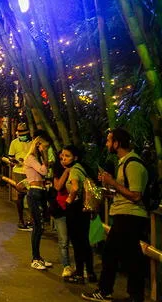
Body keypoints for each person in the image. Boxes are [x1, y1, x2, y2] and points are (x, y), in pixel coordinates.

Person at [82, 128, 148, 302]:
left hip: (130, 215)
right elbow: (124, 192)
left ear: (117, 143)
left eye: (109, 140)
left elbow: (136, 195)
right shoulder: (123, 163)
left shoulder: (132, 163)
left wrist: (112, 182)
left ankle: (105, 291)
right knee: (131, 256)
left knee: (111, 253)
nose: (107, 144)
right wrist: (108, 188)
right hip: (124, 214)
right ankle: (134, 294)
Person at [56, 145, 96, 284]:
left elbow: (75, 187)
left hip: (75, 209)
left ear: (76, 158)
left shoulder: (74, 170)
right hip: (83, 210)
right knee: (84, 242)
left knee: (77, 242)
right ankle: (90, 272)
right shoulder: (81, 168)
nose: (64, 159)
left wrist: (69, 200)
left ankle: (79, 273)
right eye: (62, 156)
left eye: (67, 156)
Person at [22, 135, 53, 271]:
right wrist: (45, 156)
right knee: (37, 226)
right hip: (34, 192)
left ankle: (38, 257)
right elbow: (44, 171)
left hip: (40, 191)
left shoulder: (36, 159)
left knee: (40, 226)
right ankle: (35, 258)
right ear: (38, 145)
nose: (45, 150)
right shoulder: (31, 158)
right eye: (44, 147)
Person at [8, 123, 33, 231]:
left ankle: (32, 219)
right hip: (18, 170)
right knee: (21, 195)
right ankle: (21, 219)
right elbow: (11, 157)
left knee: (32, 195)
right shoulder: (14, 143)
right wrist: (15, 162)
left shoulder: (33, 142)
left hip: (32, 171)